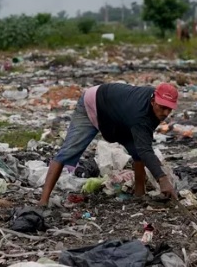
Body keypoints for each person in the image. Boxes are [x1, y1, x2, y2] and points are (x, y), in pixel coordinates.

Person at [38, 82, 179, 206]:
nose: (166, 113)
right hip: (93, 103)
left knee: (137, 151)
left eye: (169, 109)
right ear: (153, 100)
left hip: (117, 115)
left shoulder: (154, 109)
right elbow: (145, 150)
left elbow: (143, 146)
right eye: (162, 107)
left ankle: (139, 194)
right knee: (69, 151)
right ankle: (43, 201)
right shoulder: (140, 113)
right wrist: (162, 179)